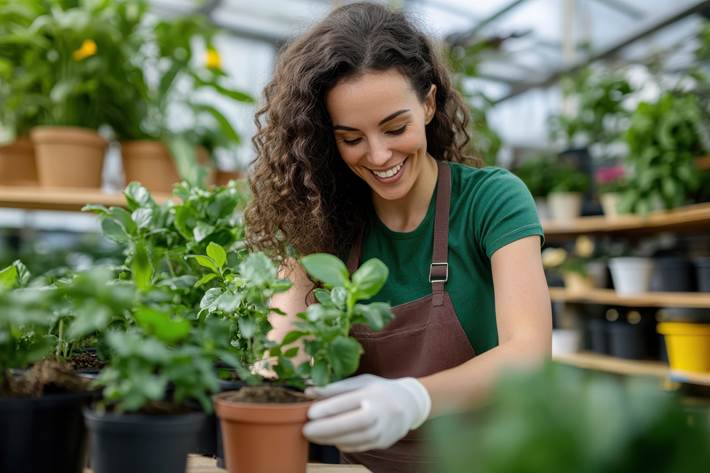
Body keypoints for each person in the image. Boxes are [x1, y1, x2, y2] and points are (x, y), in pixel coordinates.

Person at [245, 3, 552, 472]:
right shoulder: (320, 222)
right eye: (351, 138)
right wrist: (277, 383)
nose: (379, 154)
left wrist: (412, 399)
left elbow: (530, 353)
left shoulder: (490, 201)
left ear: (428, 104)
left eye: (395, 127)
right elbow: (284, 351)